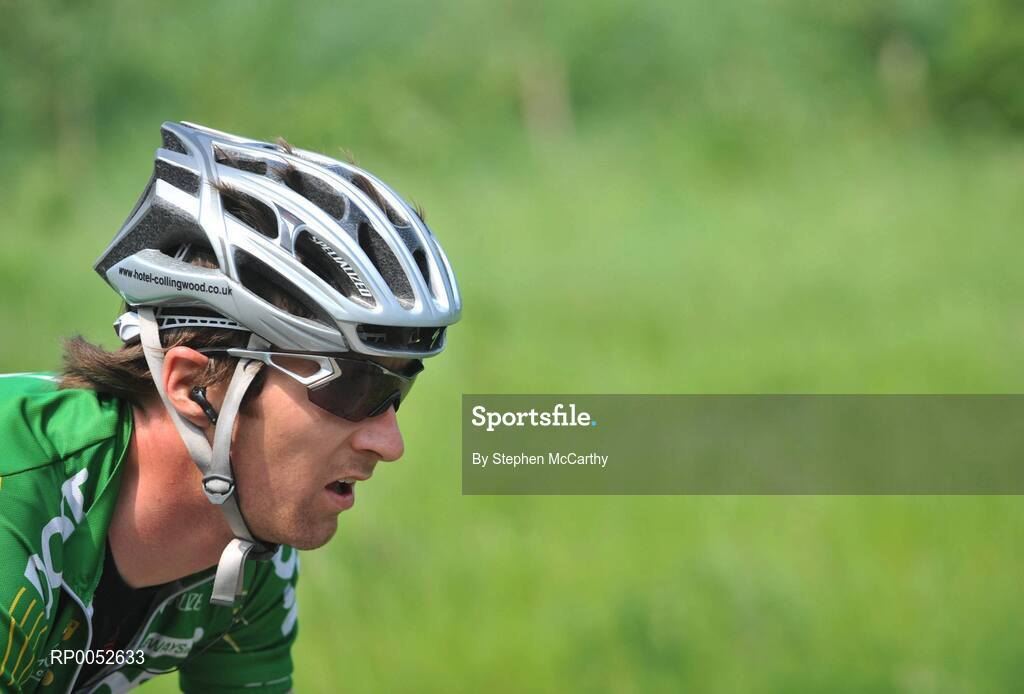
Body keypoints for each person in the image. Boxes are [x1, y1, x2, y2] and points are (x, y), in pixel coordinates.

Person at [0, 121, 461, 692]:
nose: (389, 444)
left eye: (397, 394)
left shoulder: (246, 552)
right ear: (193, 385)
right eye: (354, 391)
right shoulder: (12, 500)